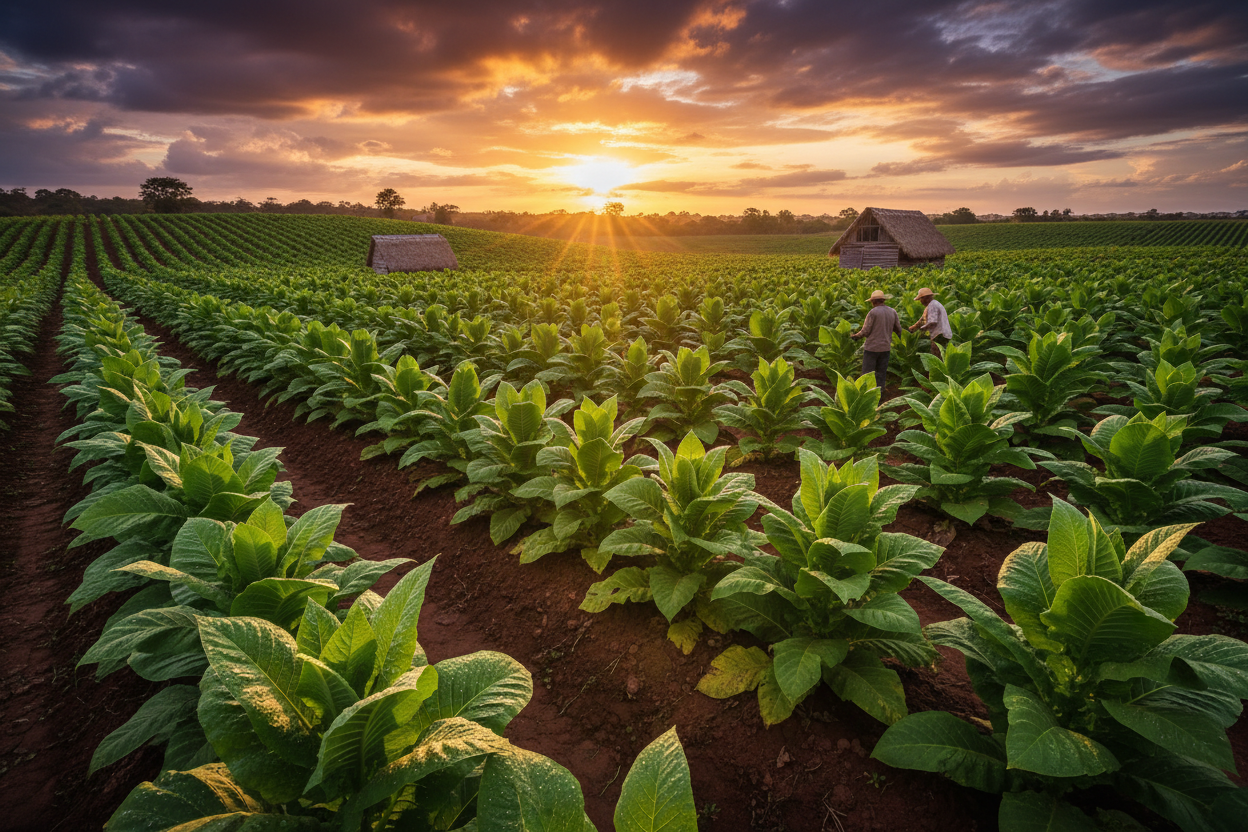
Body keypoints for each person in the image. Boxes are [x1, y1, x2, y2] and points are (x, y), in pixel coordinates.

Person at [850, 289, 903, 389]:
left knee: (867, 373)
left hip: (872, 348)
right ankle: (880, 393)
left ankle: (866, 394)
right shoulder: (892, 311)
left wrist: (855, 336)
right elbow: (898, 329)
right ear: (883, 300)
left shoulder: (872, 313)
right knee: (881, 373)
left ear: (873, 301)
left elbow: (865, 331)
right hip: (886, 348)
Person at [909, 287, 952, 355]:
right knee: (940, 354)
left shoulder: (933, 305)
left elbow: (932, 322)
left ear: (925, 298)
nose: (920, 301)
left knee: (936, 355)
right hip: (942, 334)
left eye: (921, 299)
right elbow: (922, 320)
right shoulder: (932, 305)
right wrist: (913, 328)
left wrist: (922, 330)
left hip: (939, 334)